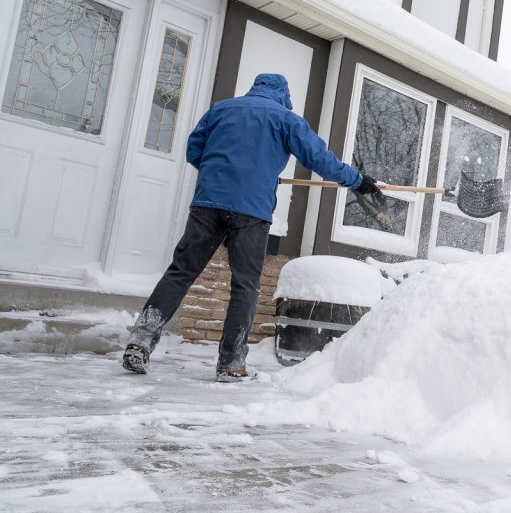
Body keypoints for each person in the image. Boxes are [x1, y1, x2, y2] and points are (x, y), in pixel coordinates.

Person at [122, 73, 381, 382]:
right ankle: (231, 364)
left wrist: (223, 172)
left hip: (208, 202)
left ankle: (140, 341)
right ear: (284, 96)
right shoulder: (286, 119)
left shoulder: (221, 109)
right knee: (245, 285)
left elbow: (194, 151)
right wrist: (358, 181)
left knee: (181, 272)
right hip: (252, 210)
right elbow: (319, 159)